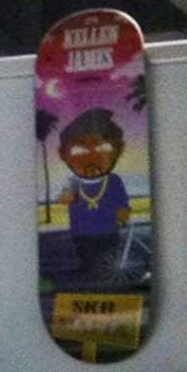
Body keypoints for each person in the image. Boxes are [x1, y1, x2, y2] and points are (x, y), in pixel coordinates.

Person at [53, 107, 131, 284]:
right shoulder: (73, 181)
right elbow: (63, 199)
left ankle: (104, 276)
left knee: (107, 257)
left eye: (103, 147)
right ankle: (90, 272)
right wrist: (67, 197)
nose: (91, 157)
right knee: (86, 256)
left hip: (108, 230)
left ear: (119, 150)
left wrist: (123, 213)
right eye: (79, 151)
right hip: (82, 232)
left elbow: (121, 201)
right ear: (62, 154)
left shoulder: (113, 180)